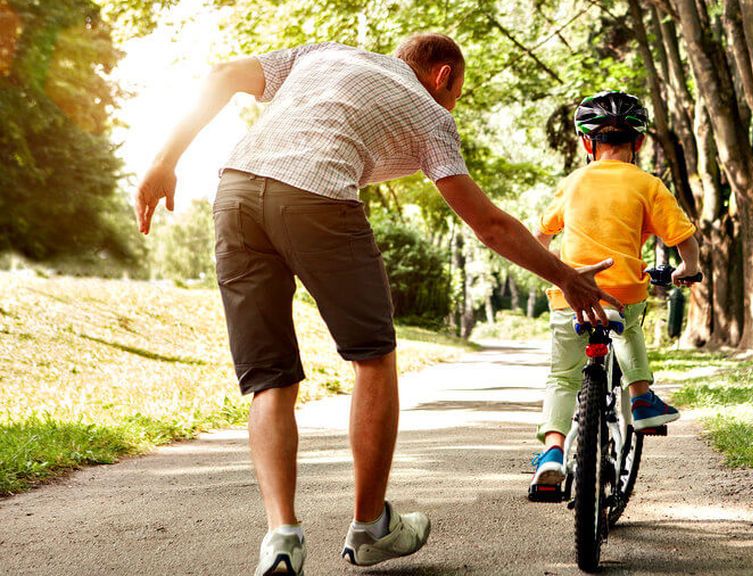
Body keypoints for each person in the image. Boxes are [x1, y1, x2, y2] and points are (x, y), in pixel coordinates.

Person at [134, 34, 622, 576]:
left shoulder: (322, 53)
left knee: (270, 379)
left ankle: (281, 538)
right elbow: (488, 224)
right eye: (457, 92)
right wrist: (565, 277)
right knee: (373, 357)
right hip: (317, 198)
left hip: (236, 193)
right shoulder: (431, 113)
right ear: (443, 77)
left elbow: (223, 73)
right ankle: (369, 526)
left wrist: (163, 161)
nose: (453, 104)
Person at [528, 91, 701, 492]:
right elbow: (683, 237)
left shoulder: (573, 182)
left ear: (588, 144)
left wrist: (552, 269)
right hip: (622, 288)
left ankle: (553, 451)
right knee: (630, 327)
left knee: (562, 376)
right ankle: (641, 397)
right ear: (638, 143)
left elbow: (540, 235)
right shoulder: (647, 183)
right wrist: (688, 268)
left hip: (570, 292)